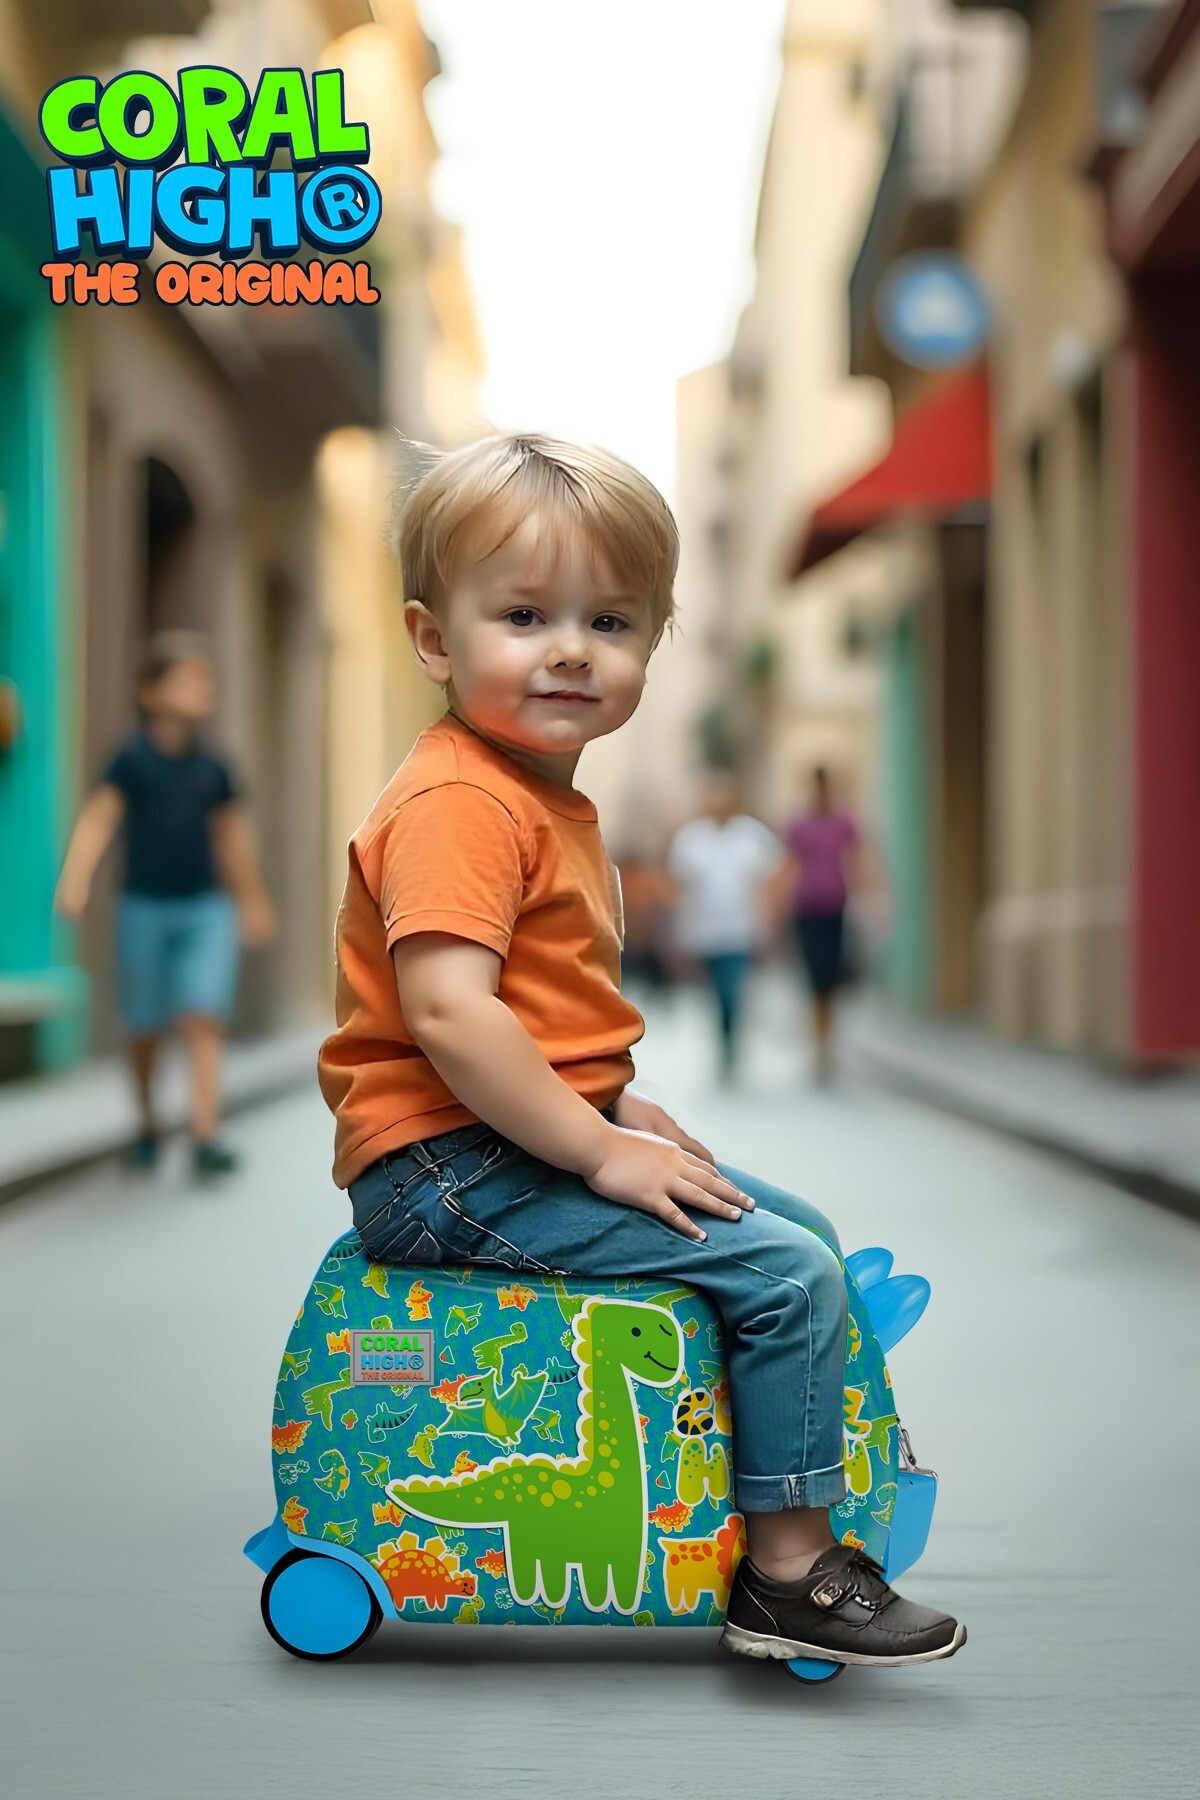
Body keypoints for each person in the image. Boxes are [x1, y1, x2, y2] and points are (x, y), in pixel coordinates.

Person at [318, 434, 964, 1671]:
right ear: (434, 640)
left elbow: (539, 1013)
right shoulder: (461, 802)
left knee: (803, 1233)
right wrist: (598, 1151)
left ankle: (761, 1463)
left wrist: (616, 1107)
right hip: (449, 1166)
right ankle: (788, 1571)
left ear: (653, 646)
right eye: (523, 615)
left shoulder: (536, 795)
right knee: (786, 1276)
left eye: (608, 621)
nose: (570, 648)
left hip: (496, 1145)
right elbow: (450, 1013)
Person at [55, 630, 275, 1176]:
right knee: (146, 1023)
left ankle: (205, 1134)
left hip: (205, 909)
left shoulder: (214, 768)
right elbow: (99, 819)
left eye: (206, 681)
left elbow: (231, 839)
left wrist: (251, 900)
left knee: (203, 1017)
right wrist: (76, 878)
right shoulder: (130, 761)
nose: (202, 690)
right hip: (143, 908)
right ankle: (148, 1123)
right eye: (188, 680)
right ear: (151, 692)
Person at [667, 774, 783, 1080]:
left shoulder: (753, 836)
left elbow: (770, 884)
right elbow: (679, 887)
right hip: (705, 931)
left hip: (741, 930)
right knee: (716, 993)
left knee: (733, 990)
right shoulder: (691, 838)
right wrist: (678, 930)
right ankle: (723, 1042)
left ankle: (732, 1045)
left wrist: (769, 925)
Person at [783, 767, 860, 1082]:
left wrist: (874, 896)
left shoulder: (844, 822)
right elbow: (788, 865)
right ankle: (818, 1045)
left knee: (831, 978)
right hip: (806, 909)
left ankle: (827, 1044)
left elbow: (859, 859)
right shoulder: (798, 825)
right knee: (814, 978)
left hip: (835, 908)